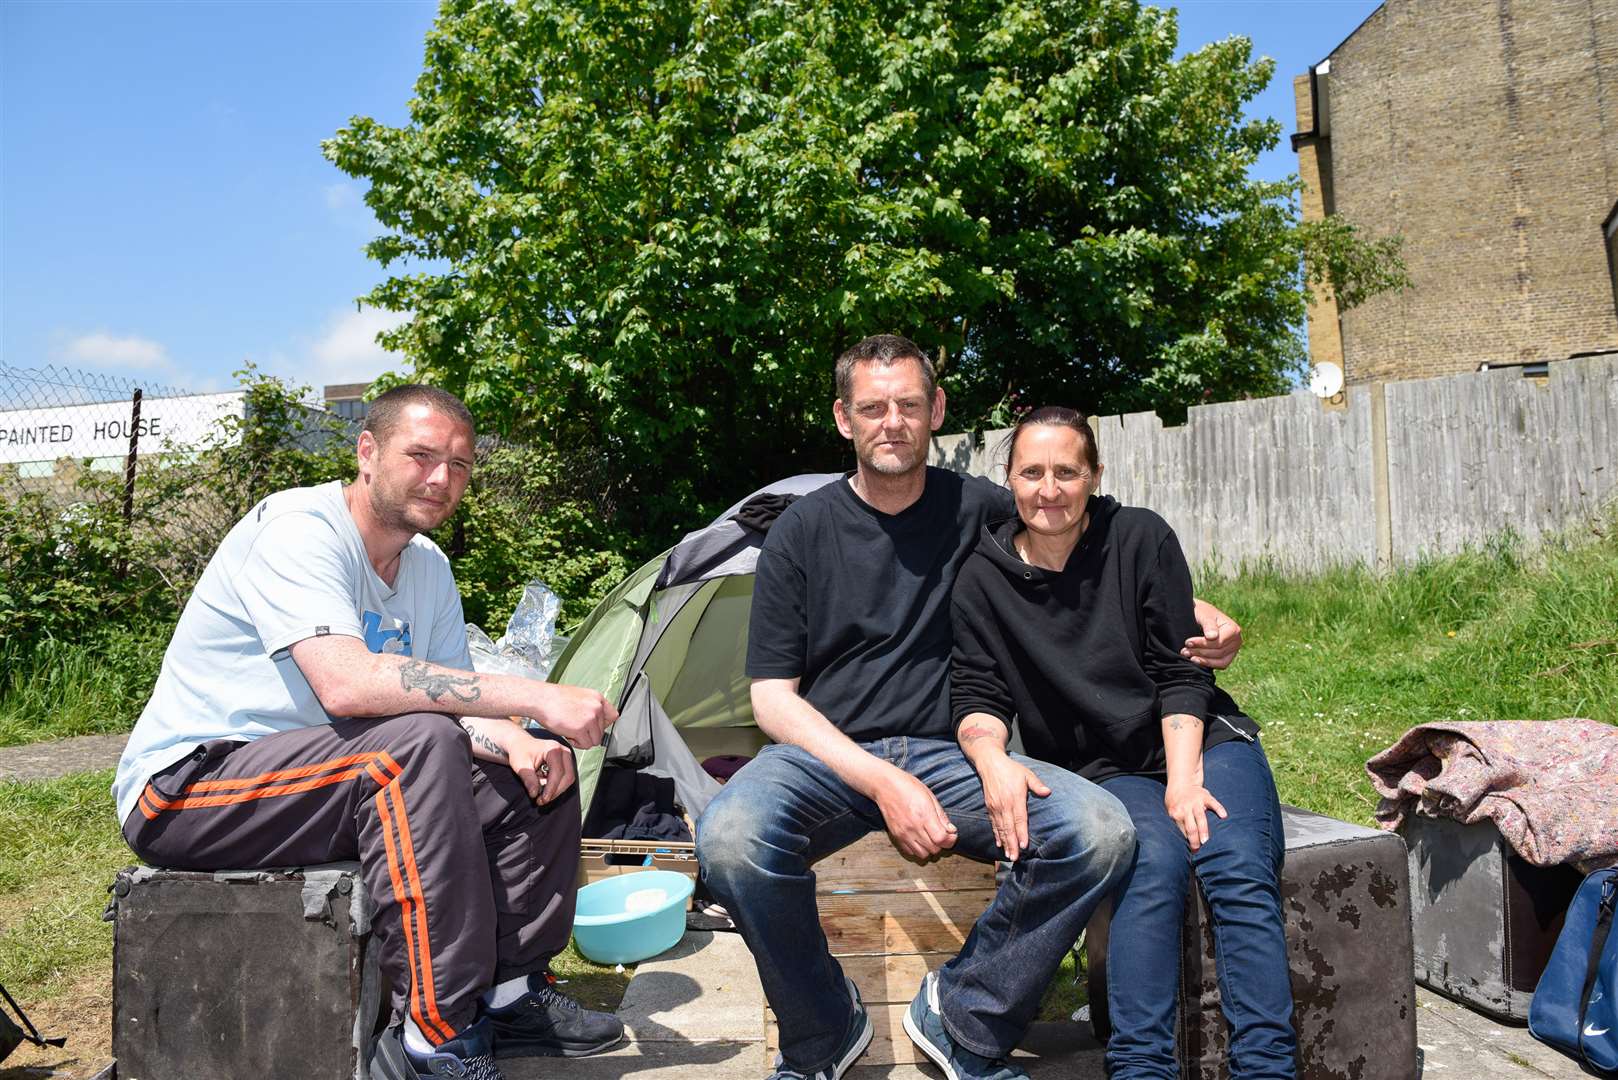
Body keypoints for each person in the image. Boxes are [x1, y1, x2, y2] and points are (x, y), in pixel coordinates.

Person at [695, 336, 1246, 1080]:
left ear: (937, 412)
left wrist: (1189, 609)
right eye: (872, 407)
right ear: (843, 419)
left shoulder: (982, 508)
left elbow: (1092, 535)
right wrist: (882, 783)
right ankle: (822, 1032)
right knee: (728, 838)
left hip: (953, 751)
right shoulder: (802, 529)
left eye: (908, 405)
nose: (891, 421)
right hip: (822, 757)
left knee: (1101, 832)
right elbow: (770, 698)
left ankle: (963, 1013)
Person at [112, 385, 625, 1080]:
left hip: (318, 780)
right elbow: (347, 685)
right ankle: (433, 1037)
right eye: (421, 456)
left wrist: (521, 736)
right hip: (189, 787)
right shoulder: (298, 529)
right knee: (413, 747)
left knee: (533, 768)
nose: (441, 478)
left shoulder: (429, 567)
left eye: (460, 465)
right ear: (367, 451)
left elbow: (457, 704)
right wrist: (538, 694)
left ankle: (508, 994)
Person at [950, 406, 1296, 1079]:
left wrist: (1185, 778)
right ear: (1010, 480)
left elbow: (1179, 669)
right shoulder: (980, 579)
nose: (1049, 489)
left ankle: (1269, 1068)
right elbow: (978, 694)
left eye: (1066, 472)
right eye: (1032, 472)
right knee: (1150, 868)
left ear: (1095, 475)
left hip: (1203, 741)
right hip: (1106, 768)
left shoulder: (1140, 538)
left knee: (1236, 869)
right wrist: (991, 759)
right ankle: (1140, 1069)